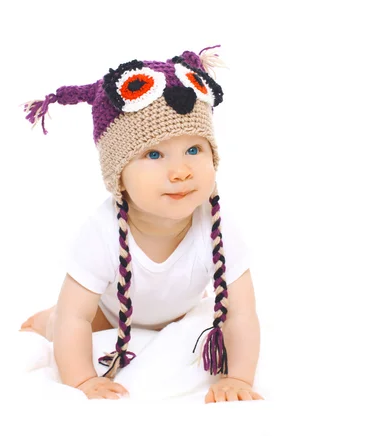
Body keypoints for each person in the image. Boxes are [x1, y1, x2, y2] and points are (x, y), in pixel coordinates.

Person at [19, 45, 263, 403]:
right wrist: (84, 380)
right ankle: (44, 320)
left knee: (200, 322)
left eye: (194, 150)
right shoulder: (102, 232)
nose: (180, 172)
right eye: (154, 154)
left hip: (178, 310)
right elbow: (77, 316)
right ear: (119, 175)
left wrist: (239, 379)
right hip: (110, 312)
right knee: (64, 324)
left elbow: (241, 312)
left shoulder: (217, 226)